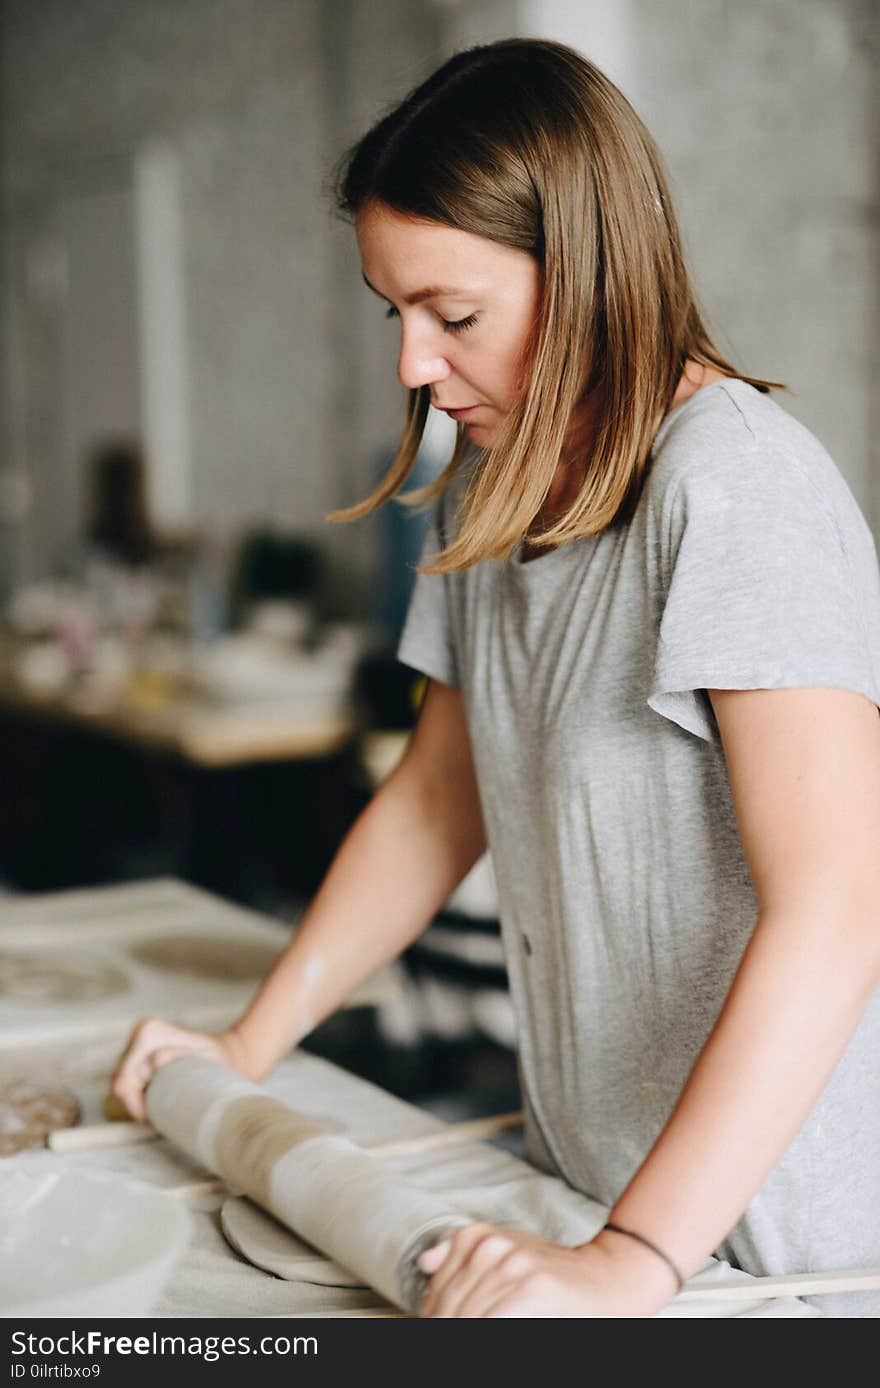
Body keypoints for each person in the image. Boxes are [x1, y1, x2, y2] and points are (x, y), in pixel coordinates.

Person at [112, 39, 880, 1318]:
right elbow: (433, 800)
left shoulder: (734, 484)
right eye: (394, 312)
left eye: (452, 315)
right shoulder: (492, 489)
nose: (413, 364)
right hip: (597, 1194)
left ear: (584, 274)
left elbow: (837, 907)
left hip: (787, 1244)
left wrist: (633, 1256)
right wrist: (243, 1047)